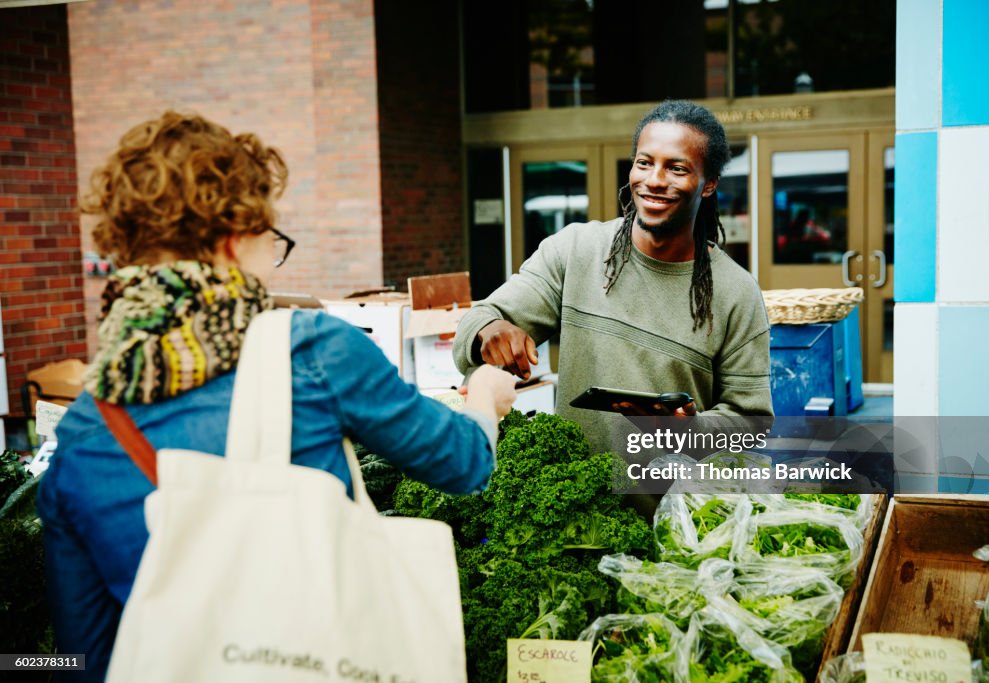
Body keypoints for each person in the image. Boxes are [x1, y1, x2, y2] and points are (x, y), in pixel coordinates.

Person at [36, 111, 517, 682]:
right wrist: (485, 396)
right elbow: (463, 464)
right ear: (234, 240)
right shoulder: (310, 352)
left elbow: (80, 657)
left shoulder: (84, 427)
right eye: (273, 239)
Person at [453, 100, 772, 455]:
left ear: (708, 184)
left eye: (677, 169)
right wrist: (490, 331)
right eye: (644, 163)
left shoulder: (737, 293)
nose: (654, 180)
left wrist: (690, 430)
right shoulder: (575, 250)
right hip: (577, 500)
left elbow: (751, 423)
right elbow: (477, 321)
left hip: (672, 506)